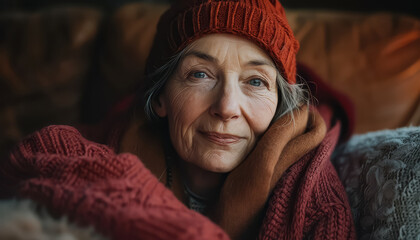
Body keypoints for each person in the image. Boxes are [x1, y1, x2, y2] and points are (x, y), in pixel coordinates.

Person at [0, 0, 356, 239]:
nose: (227, 107)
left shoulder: (311, 187)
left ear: (279, 105)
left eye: (255, 81)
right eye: (200, 74)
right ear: (161, 100)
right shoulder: (85, 150)